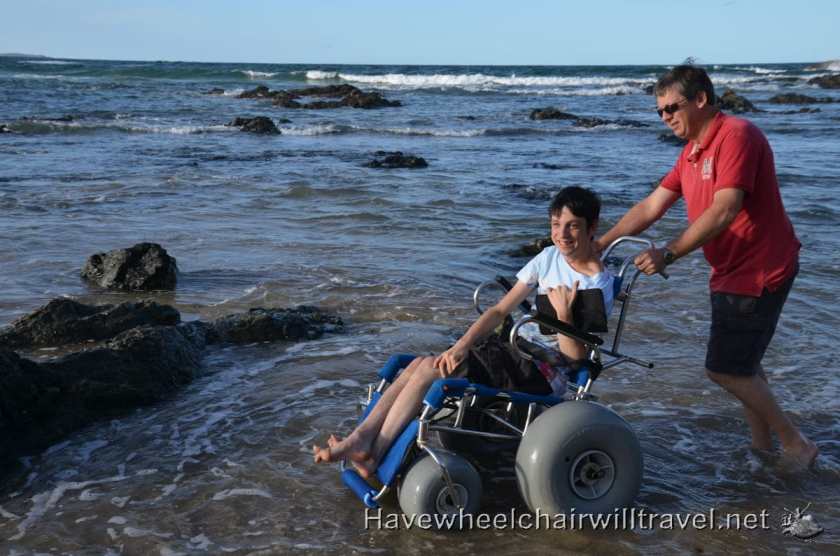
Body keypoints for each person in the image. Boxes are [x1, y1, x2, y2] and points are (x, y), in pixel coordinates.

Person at [595, 65, 817, 468]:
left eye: (671, 108)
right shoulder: (691, 153)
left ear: (700, 99)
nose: (665, 117)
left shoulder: (736, 135)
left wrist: (669, 253)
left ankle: (795, 443)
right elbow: (651, 205)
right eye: (659, 111)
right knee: (744, 363)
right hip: (731, 270)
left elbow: (724, 209)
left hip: (761, 270)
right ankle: (762, 446)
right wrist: (603, 242)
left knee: (724, 369)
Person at [313, 186, 614, 478]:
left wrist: (563, 315)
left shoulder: (597, 284)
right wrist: (461, 345)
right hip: (512, 350)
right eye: (556, 224)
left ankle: (371, 449)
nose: (562, 235)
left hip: (542, 372)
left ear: (592, 227)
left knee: (433, 371)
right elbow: (498, 311)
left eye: (573, 226)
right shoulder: (549, 257)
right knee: (419, 364)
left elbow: (575, 358)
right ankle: (363, 440)